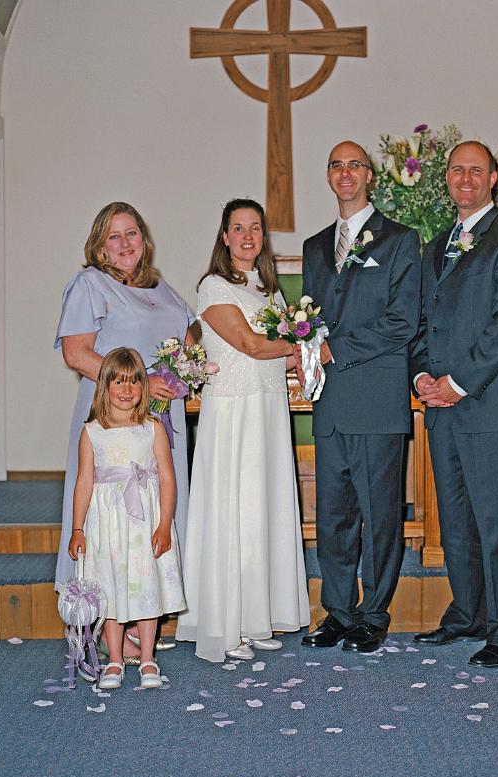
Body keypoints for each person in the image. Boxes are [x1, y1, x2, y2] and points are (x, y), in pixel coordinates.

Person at [411, 141, 498, 668]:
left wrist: (457, 382)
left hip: (489, 404)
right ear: (447, 178)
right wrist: (421, 373)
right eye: (457, 170)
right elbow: (423, 320)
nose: (465, 178)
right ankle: (468, 613)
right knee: (457, 519)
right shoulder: (438, 243)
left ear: (493, 179)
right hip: (442, 406)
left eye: (476, 171)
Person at [298, 141, 421, 654]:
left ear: (369, 175)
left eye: (354, 165)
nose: (345, 173)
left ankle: (374, 614)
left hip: (376, 399)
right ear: (328, 177)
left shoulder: (400, 241)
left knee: (381, 514)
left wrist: (332, 351)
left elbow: (402, 322)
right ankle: (338, 611)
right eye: (336, 165)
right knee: (334, 515)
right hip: (331, 405)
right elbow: (310, 321)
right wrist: (306, 347)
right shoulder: (314, 246)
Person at [54, 201, 194, 653]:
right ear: (99, 245)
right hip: (113, 419)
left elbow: (188, 335)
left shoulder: (162, 287)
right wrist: (140, 381)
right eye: (114, 236)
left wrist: (188, 370)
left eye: (131, 233)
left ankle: (140, 618)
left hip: (159, 418)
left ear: (144, 238)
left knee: (154, 512)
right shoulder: (90, 285)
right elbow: (76, 352)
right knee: (109, 515)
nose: (125, 243)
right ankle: (100, 617)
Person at [176, 198, 310, 663]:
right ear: (225, 237)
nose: (248, 236)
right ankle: (223, 624)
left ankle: (254, 618)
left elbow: (274, 342)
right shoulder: (214, 287)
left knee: (261, 513)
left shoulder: (266, 287)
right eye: (238, 228)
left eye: (255, 228)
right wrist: (300, 348)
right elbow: (251, 345)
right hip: (234, 413)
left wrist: (295, 349)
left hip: (268, 408)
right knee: (233, 512)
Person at [68, 348, 186, 689]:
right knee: (110, 587)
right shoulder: (92, 431)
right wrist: (78, 529)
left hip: (144, 524)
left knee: (145, 587)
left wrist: (164, 524)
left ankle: (147, 658)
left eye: (134, 381)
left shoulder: (152, 428)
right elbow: (84, 481)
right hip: (106, 526)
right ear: (104, 386)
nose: (127, 388)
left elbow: (166, 477)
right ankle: (116, 660)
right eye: (118, 381)